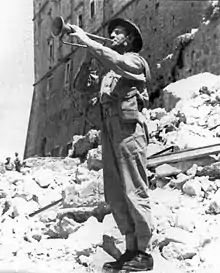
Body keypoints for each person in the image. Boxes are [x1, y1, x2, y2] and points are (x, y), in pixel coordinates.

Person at [72, 17, 153, 271]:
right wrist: (87, 55)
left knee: (134, 189)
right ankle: (131, 250)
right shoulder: (106, 71)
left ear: (129, 39)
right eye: (113, 33)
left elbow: (117, 61)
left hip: (129, 132)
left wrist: (88, 40)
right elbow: (80, 88)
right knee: (115, 193)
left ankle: (144, 251)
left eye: (118, 33)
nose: (113, 35)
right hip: (109, 132)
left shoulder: (134, 60)